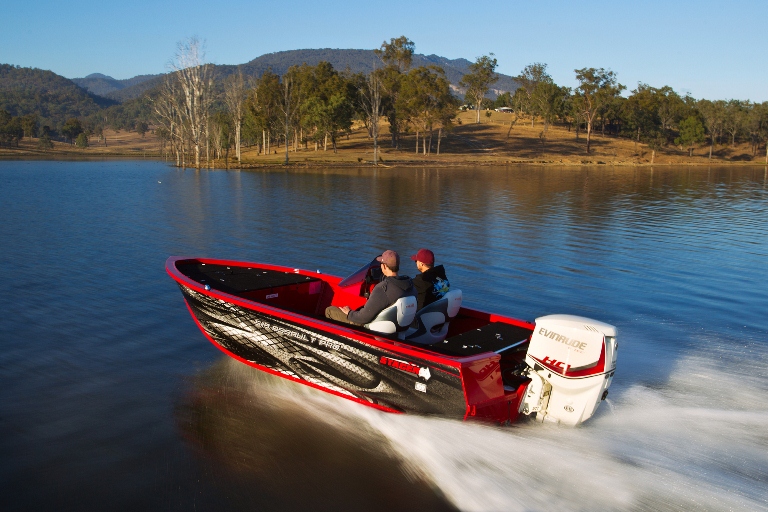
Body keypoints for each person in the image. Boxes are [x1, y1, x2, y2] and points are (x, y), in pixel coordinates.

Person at [325, 250, 415, 326]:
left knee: (329, 310)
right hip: (395, 325)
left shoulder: (383, 288)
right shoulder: (409, 285)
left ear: (383, 266)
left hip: (371, 326)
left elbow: (363, 318)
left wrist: (349, 313)